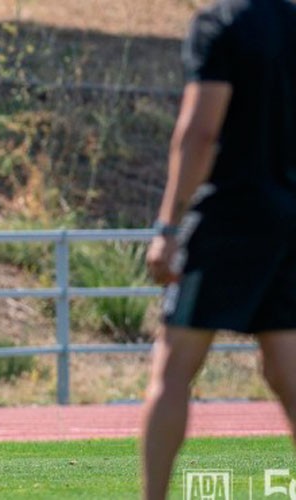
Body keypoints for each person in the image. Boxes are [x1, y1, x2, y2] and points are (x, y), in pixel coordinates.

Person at [142, 0, 296, 498]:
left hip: (228, 217)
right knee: (286, 368)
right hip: (288, 219)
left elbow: (200, 132)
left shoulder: (219, 24)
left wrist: (168, 225)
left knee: (172, 368)